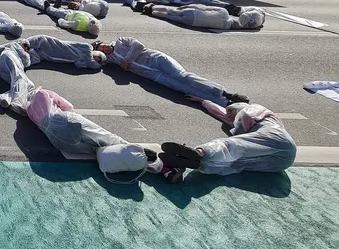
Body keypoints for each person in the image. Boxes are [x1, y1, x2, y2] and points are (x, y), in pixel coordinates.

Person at [158, 97, 296, 182]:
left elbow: (245, 115)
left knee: (229, 145)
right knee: (235, 163)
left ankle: (199, 152)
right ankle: (199, 163)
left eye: (231, 111)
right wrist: (203, 101)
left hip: (278, 139)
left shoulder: (256, 109)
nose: (229, 115)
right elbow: (220, 113)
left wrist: (238, 134)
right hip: (281, 164)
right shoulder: (247, 121)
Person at [93, 37, 249, 105]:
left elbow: (138, 46)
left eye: (103, 46)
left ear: (106, 43)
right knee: (183, 88)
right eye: (102, 50)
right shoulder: (110, 59)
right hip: (153, 74)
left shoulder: (121, 41)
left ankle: (225, 93)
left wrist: (127, 61)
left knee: (183, 76)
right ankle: (224, 102)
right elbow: (95, 61)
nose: (105, 49)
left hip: (156, 59)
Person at [0, 35, 106, 70]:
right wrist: (99, 64)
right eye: (98, 57)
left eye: (98, 60)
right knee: (22, 44)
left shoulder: (83, 60)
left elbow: (78, 65)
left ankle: (0, 59)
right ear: (96, 52)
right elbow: (92, 64)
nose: (96, 59)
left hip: (46, 56)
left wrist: (90, 63)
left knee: (25, 59)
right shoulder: (87, 48)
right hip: (48, 43)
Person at [0, 43, 35, 114]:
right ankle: (17, 103)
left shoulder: (14, 50)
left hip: (3, 70)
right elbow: (26, 60)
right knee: (19, 78)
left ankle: (5, 98)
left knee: (30, 85)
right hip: (9, 57)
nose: (26, 50)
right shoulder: (16, 46)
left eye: (28, 49)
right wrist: (28, 55)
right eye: (26, 47)